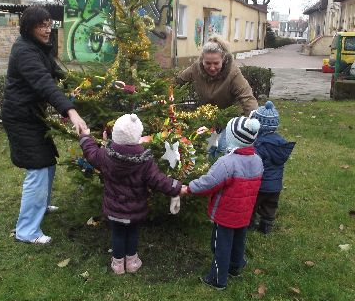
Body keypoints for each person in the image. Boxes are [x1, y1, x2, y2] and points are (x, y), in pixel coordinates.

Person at [2, 6, 87, 245]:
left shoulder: (38, 48)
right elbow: (44, 84)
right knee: (37, 168)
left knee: (47, 161)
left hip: (33, 116)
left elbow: (56, 74)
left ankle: (42, 205)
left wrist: (88, 85)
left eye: (49, 24)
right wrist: (71, 112)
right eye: (42, 25)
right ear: (29, 28)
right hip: (20, 118)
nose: (47, 29)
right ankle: (27, 231)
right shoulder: (24, 52)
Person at [79, 113, 183, 275]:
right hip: (135, 209)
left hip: (114, 208)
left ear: (116, 135)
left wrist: (85, 137)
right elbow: (159, 180)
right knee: (132, 233)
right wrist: (176, 187)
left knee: (118, 233)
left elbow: (91, 153)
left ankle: (118, 265)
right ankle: (132, 262)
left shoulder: (105, 155)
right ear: (138, 136)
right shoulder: (144, 161)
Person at [181, 116, 263, 290]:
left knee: (221, 246)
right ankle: (235, 266)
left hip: (226, 214)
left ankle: (217, 278)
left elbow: (209, 182)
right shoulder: (257, 159)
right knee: (239, 240)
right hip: (245, 212)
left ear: (232, 138)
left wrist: (189, 188)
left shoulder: (226, 163)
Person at [175, 34, 258, 116]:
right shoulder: (195, 68)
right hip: (204, 116)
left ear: (223, 59)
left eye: (216, 63)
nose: (212, 68)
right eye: (208, 63)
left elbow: (247, 98)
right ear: (202, 60)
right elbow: (178, 81)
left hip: (228, 118)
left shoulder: (233, 73)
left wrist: (255, 119)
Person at [250, 101, 295, 234]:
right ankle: (266, 226)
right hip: (275, 185)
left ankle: (250, 223)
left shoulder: (259, 145)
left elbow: (254, 163)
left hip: (260, 185)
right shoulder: (281, 144)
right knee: (270, 206)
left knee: (252, 204)